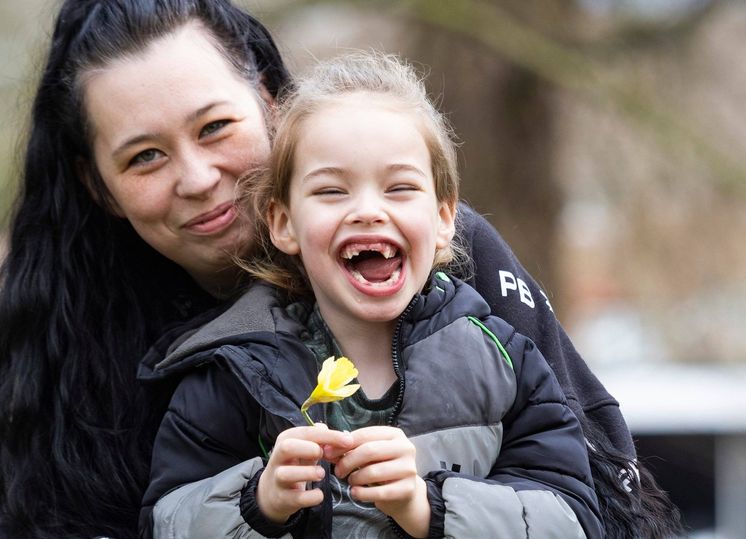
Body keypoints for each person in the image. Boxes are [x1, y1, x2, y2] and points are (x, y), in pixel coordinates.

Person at [0, 0, 678, 537]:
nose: (197, 176)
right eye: (144, 156)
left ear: (271, 105)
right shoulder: (78, 337)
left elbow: (599, 490)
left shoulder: (446, 261)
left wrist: (431, 501)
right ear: (98, 187)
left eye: (216, 127)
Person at [138, 51, 604, 538]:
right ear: (283, 223)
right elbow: (164, 522)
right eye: (331, 192)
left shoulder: (503, 358)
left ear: (444, 219)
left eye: (399, 187)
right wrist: (259, 501)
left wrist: (427, 506)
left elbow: (572, 520)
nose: (367, 210)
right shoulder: (235, 372)